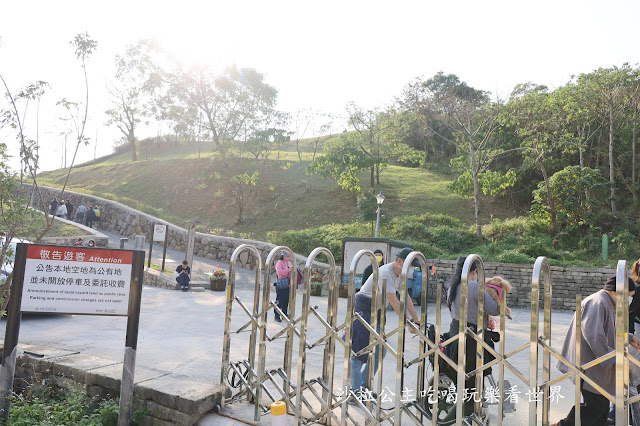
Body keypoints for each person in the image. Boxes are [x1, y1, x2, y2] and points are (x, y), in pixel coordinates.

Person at [552, 276, 640, 426]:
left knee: (601, 409)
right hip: (587, 365)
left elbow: (608, 330)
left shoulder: (606, 302)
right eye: (628, 297)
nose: (628, 301)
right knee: (595, 408)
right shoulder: (598, 303)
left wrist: (629, 337)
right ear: (616, 291)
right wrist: (616, 359)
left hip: (594, 367)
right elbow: (595, 336)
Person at [350, 247, 421, 396]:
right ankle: (354, 391)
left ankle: (365, 386)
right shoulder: (385, 273)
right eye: (410, 266)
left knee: (379, 351)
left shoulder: (401, 274)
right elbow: (394, 301)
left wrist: (416, 319)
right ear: (400, 262)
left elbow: (405, 297)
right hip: (364, 307)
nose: (412, 270)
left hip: (378, 310)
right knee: (359, 352)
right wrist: (407, 323)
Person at [444, 256, 499, 416]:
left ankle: (466, 406)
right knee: (473, 377)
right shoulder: (474, 286)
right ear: (475, 272)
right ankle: (471, 411)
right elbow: (495, 309)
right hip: (472, 338)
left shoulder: (452, 287)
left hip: (454, 334)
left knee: (463, 377)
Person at [274, 252, 292, 322]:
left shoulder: (288, 263)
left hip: (288, 284)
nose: (288, 257)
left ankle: (284, 314)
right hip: (281, 284)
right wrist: (289, 270)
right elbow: (280, 273)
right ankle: (277, 315)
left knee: (286, 300)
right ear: (283, 256)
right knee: (279, 300)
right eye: (287, 256)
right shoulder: (279, 263)